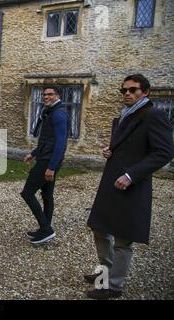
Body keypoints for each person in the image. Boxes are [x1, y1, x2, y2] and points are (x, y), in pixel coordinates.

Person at [85, 74, 174, 299]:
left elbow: (164, 152)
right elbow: (124, 145)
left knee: (123, 238)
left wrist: (131, 175)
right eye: (124, 90)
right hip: (111, 181)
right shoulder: (122, 117)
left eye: (133, 90)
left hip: (131, 184)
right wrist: (110, 150)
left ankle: (113, 286)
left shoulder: (154, 115)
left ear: (145, 92)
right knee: (100, 228)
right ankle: (105, 271)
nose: (127, 93)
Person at [21, 86, 69, 244]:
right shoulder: (51, 112)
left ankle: (46, 229)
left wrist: (52, 167)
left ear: (58, 95)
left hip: (48, 161)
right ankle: (44, 229)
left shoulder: (59, 114)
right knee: (47, 195)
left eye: (50, 94)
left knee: (27, 193)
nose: (46, 97)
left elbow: (60, 143)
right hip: (45, 157)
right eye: (44, 95)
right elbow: (48, 139)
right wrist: (33, 153)